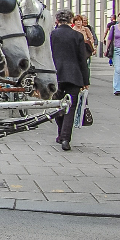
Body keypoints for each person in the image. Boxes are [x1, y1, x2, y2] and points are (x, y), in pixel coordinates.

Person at [51, 9, 91, 150]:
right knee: (70, 107)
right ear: (71, 20)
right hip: (74, 75)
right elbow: (82, 59)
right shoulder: (77, 36)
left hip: (56, 75)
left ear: (57, 20)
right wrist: (85, 81)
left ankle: (61, 133)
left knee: (57, 105)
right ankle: (65, 138)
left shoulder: (52, 35)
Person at [107, 11, 120, 96]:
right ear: (118, 18)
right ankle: (117, 89)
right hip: (116, 50)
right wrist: (106, 49)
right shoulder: (114, 27)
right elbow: (109, 39)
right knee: (118, 69)